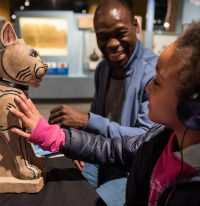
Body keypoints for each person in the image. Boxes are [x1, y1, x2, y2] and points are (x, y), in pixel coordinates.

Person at [10, 21, 200, 206]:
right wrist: (55, 136)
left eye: (157, 82)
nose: (148, 88)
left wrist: (86, 122)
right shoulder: (160, 139)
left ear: (192, 109)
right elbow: (114, 150)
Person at [48, 1, 158, 204]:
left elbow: (146, 140)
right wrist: (81, 144)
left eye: (120, 33)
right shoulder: (103, 69)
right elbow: (96, 114)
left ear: (135, 26)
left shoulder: (153, 73)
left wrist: (87, 121)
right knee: (60, 188)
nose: (112, 44)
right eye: (103, 37)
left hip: (130, 169)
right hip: (101, 156)